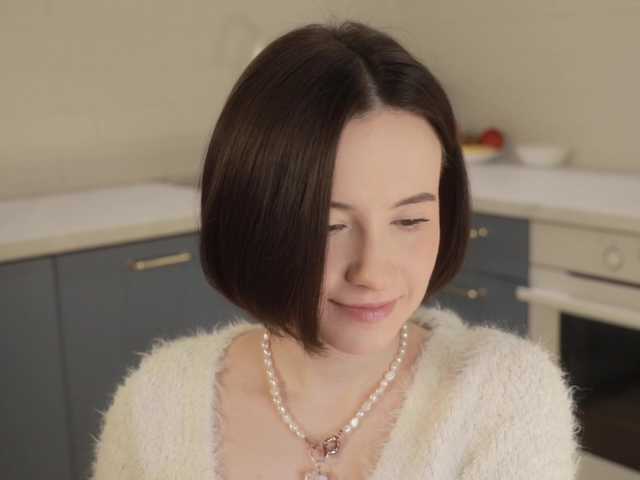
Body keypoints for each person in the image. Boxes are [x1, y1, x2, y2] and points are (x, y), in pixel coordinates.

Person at [90, 19, 582, 480]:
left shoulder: (505, 398)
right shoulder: (155, 403)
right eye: (331, 226)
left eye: (409, 220)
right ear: (252, 219)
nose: (372, 271)